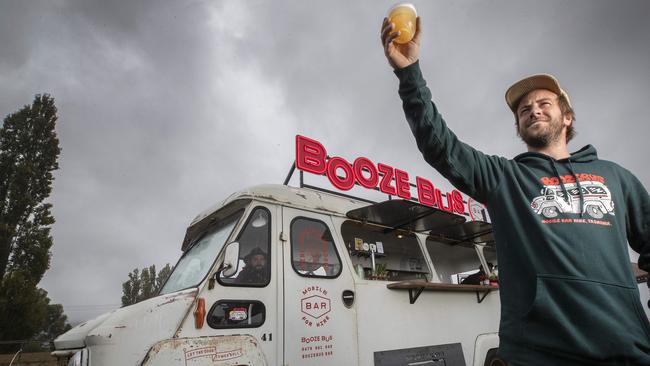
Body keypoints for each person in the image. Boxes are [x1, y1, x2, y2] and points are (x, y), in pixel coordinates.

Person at [381, 16, 650, 366]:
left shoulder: (615, 177)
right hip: (537, 355)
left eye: (543, 103)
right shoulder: (504, 177)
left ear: (567, 117)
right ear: (519, 126)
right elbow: (439, 145)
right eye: (524, 109)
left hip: (627, 353)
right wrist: (409, 73)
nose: (532, 109)